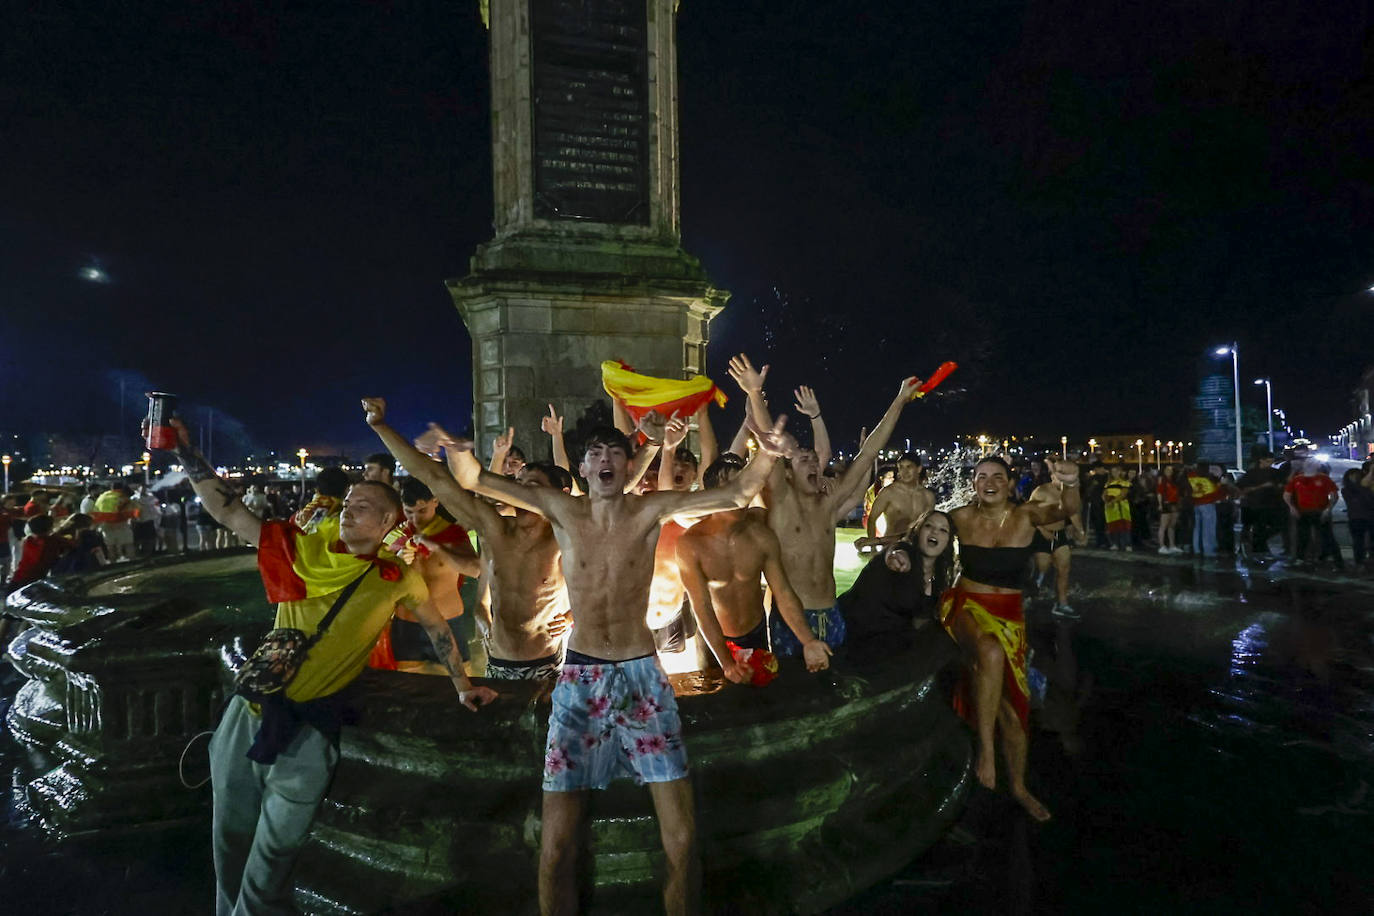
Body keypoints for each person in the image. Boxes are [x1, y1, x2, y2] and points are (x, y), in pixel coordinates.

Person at [363, 396, 791, 916]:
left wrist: (766, 454)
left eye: (615, 451)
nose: (606, 458)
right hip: (580, 677)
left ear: (630, 466)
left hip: (641, 675)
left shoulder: (649, 508)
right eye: (595, 453)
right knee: (556, 845)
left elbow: (741, 489)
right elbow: (474, 480)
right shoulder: (561, 509)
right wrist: (456, 449)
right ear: (583, 469)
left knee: (680, 839)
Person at [151, 413, 495, 916]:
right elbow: (228, 511)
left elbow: (438, 628)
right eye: (349, 503)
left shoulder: (396, 575)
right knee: (229, 839)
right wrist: (185, 449)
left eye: (366, 506)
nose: (351, 509)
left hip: (309, 730)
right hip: (246, 714)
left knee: (275, 854)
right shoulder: (300, 547)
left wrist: (464, 685)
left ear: (387, 525)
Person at [728, 353, 925, 657]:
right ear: (788, 473)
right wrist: (754, 393)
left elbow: (869, 453)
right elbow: (769, 440)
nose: (813, 463)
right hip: (793, 618)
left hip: (831, 612)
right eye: (803, 459)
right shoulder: (781, 500)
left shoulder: (828, 505)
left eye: (814, 460)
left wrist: (899, 400)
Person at [375, 413, 575, 682]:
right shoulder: (495, 530)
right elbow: (435, 478)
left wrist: (571, 617)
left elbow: (603, 588)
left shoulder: (563, 537)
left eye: (534, 487)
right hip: (498, 661)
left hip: (546, 662)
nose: (521, 494)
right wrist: (379, 425)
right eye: (518, 486)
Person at [944, 455, 1081, 822]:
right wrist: (887, 547)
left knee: (1014, 709)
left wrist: (1070, 483)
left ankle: (1019, 786)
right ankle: (986, 752)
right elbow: (922, 533)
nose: (989, 482)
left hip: (1009, 615)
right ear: (973, 482)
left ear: (1009, 483)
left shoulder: (1026, 515)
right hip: (965, 604)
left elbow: (1066, 509)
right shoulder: (960, 517)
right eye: (981, 476)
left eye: (997, 477)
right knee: (988, 651)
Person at [676, 455, 832, 686]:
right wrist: (726, 662)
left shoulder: (761, 537)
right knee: (714, 703)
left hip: (755, 632)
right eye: (733, 485)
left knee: (761, 699)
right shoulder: (691, 544)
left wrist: (808, 640)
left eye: (747, 484)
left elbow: (784, 593)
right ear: (714, 493)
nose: (743, 492)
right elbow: (702, 608)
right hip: (714, 640)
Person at [384, 477, 482, 674]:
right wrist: (398, 558)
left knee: (454, 687)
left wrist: (438, 548)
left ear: (435, 502)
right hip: (407, 624)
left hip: (448, 621)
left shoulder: (452, 534)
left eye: (422, 511)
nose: (415, 519)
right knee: (408, 688)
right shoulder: (398, 534)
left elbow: (475, 570)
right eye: (409, 512)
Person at [841, 511, 958, 647]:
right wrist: (895, 557)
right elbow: (895, 551)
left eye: (943, 530)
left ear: (948, 542)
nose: (935, 532)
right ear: (918, 532)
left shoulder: (940, 577)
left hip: (889, 643)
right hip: (855, 634)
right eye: (928, 526)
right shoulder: (903, 552)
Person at [1028, 475, 1083, 617]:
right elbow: (1029, 513)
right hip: (1042, 534)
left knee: (1064, 569)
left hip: (1060, 534)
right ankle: (1030, 591)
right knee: (1042, 568)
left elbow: (1072, 513)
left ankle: (1062, 603)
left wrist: (1078, 530)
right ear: (1052, 476)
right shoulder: (1041, 491)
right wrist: (1042, 529)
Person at [863, 452, 936, 546]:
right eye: (901, 467)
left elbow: (930, 525)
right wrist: (873, 548)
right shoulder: (888, 492)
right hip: (891, 548)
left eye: (909, 467)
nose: (904, 472)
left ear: (919, 469)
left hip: (917, 549)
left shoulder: (928, 496)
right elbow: (872, 519)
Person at [1284, 459, 1341, 568]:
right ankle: (1301, 558)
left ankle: (1337, 561)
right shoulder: (1297, 479)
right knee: (1302, 537)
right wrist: (1292, 507)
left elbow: (1334, 495)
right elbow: (1287, 494)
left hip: (1320, 511)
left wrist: (1328, 509)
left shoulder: (1324, 478)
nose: (1309, 465)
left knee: (1327, 537)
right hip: (1303, 512)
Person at [1237, 451, 1285, 557]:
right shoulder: (1251, 473)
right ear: (1261, 460)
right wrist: (1261, 487)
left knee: (1276, 526)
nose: (1270, 464)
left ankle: (1259, 545)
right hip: (1256, 505)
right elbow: (1242, 488)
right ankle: (1258, 548)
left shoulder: (1275, 473)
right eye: (1268, 461)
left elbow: (1281, 485)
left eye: (1272, 462)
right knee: (1259, 527)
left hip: (1272, 504)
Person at [9, 515, 68, 588]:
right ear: (49, 528)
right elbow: (72, 544)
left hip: (18, 579)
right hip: (31, 583)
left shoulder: (29, 540)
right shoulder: (51, 542)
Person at [91, 483, 135, 561]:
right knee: (128, 544)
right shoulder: (123, 497)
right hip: (121, 524)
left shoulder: (102, 497)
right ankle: (131, 561)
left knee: (110, 546)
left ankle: (112, 562)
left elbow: (96, 511)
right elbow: (131, 511)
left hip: (105, 525)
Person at [1342, 465, 1374, 571]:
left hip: (1366, 516)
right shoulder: (1347, 490)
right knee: (1358, 542)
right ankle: (1360, 562)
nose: (1355, 477)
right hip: (1357, 517)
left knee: (1364, 541)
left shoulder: (1365, 488)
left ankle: (1364, 561)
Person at [1185, 462, 1221, 557]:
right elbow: (1215, 490)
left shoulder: (1191, 476)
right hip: (1207, 503)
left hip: (1196, 503)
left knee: (1197, 527)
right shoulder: (1208, 477)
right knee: (1208, 528)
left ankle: (1197, 548)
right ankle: (1208, 550)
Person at [1102, 466, 1132, 551]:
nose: (1114, 473)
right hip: (1110, 508)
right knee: (1112, 526)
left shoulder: (1124, 482)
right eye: (1113, 471)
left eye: (1116, 471)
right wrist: (1106, 501)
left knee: (1124, 526)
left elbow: (1123, 494)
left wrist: (1113, 501)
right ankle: (1115, 543)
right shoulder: (1108, 483)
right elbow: (1104, 494)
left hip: (1121, 506)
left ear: (1120, 472)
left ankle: (1127, 544)